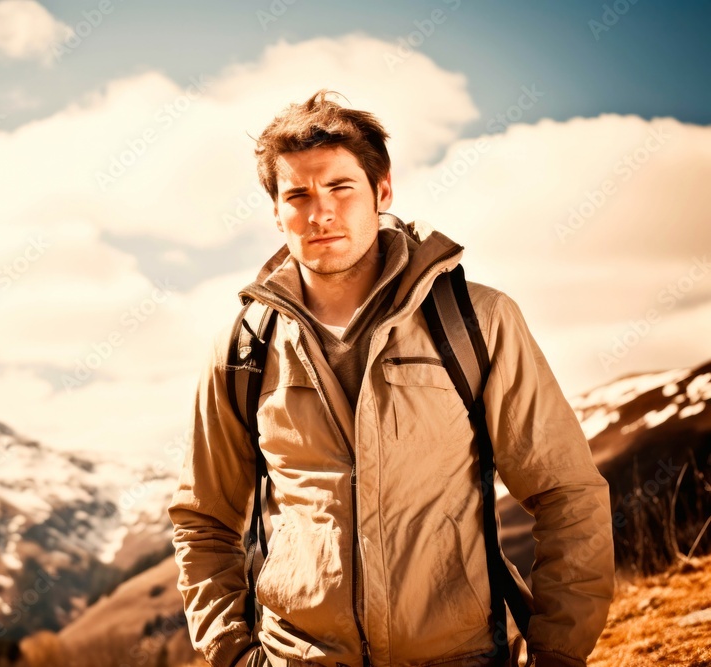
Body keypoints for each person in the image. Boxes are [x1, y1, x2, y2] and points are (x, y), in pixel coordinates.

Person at [167, 90, 614, 667]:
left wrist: (557, 654)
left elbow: (567, 494)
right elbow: (203, 520)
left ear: (382, 192)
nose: (319, 212)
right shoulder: (242, 349)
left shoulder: (476, 321)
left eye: (339, 188)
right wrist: (233, 654)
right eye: (296, 194)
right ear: (276, 210)